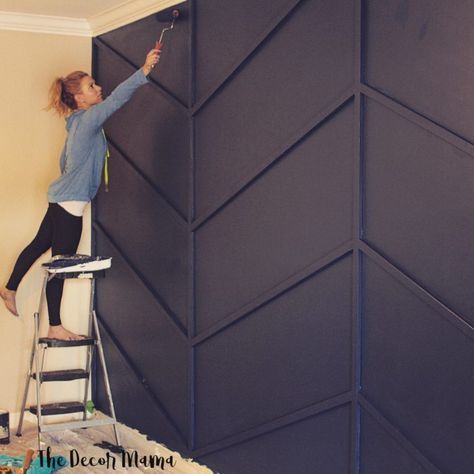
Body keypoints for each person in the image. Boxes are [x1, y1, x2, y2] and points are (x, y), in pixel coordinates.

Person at [0, 47, 161, 340]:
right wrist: (145, 70)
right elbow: (116, 101)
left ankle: (9, 288)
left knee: (39, 245)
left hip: (61, 198)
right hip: (69, 204)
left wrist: (74, 180)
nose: (98, 88)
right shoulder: (87, 120)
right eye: (91, 86)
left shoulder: (75, 124)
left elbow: (65, 161)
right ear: (79, 98)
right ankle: (55, 326)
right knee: (61, 265)